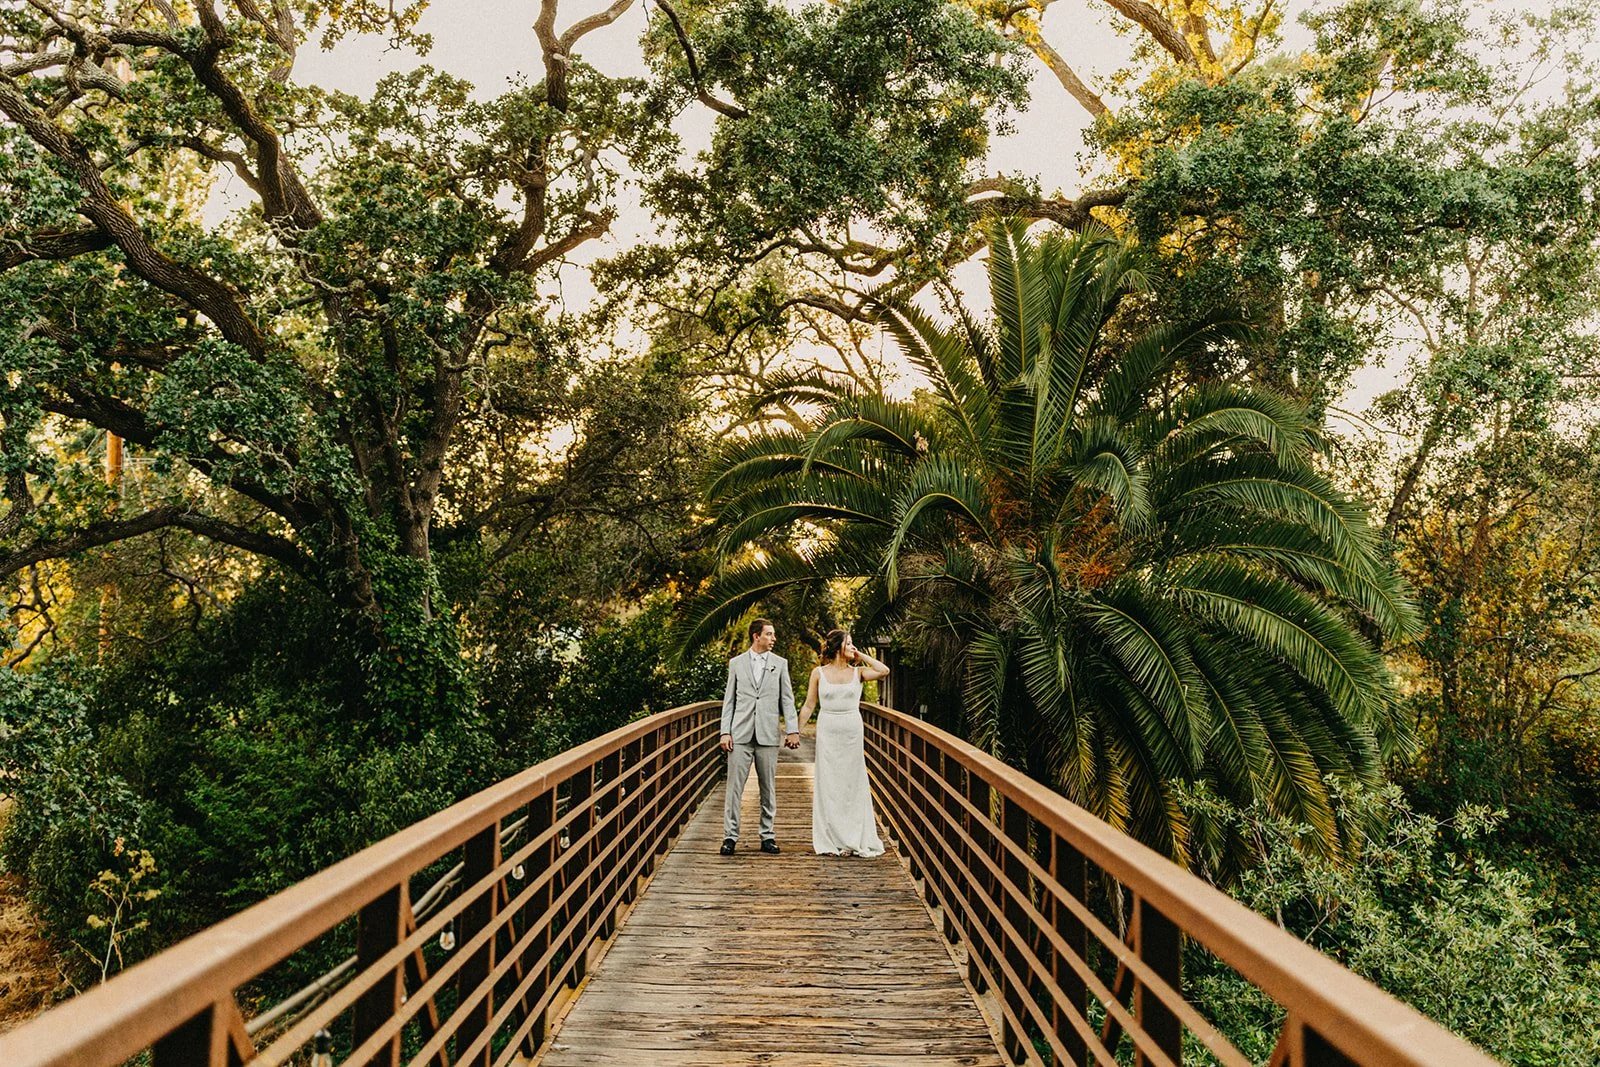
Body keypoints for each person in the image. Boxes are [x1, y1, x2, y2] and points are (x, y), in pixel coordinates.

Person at [799, 629, 888, 858]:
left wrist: (862, 657)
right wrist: (795, 731)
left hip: (851, 732)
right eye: (849, 644)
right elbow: (809, 705)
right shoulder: (818, 673)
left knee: (851, 784)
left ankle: (851, 839)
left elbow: (884, 670)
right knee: (829, 784)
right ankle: (831, 839)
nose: (852, 647)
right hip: (828, 730)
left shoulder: (858, 673)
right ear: (838, 647)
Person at [719, 618, 799, 856]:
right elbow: (729, 701)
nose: (773, 638)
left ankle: (767, 835)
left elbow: (787, 698)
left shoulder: (780, 664)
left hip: (767, 733)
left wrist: (792, 728)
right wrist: (725, 731)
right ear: (756, 636)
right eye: (769, 634)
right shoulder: (736, 664)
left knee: (768, 787)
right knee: (734, 788)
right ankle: (730, 837)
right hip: (740, 734)